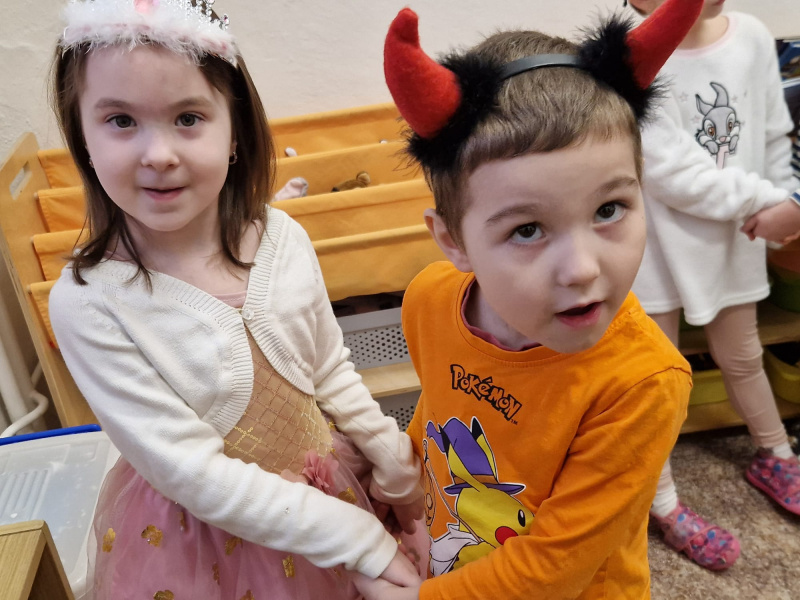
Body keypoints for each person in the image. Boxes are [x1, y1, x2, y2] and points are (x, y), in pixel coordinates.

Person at [47, 1, 424, 598]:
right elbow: (193, 473)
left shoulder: (283, 236)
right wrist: (360, 542)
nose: (159, 154)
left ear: (234, 132)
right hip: (202, 547)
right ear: (83, 139)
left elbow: (327, 366)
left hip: (329, 493)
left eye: (188, 117)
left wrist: (390, 456)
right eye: (120, 120)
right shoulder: (89, 301)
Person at [353, 2, 702, 599]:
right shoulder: (430, 299)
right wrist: (404, 479)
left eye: (609, 209)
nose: (582, 268)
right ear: (453, 241)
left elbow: (554, 570)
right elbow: (439, 410)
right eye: (528, 229)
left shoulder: (642, 383)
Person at [626, 0, 800, 572]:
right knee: (655, 382)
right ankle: (663, 503)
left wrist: (785, 205)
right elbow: (669, 171)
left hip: (736, 237)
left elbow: (773, 135)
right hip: (654, 245)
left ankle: (776, 454)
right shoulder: (630, 48)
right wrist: (773, 202)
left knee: (743, 356)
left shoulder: (751, 35)